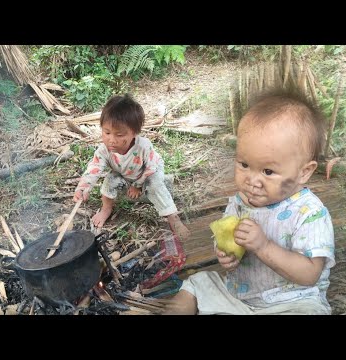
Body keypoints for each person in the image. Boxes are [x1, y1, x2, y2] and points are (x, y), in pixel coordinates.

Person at [163, 87, 335, 315]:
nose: (252, 181)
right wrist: (224, 254)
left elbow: (310, 274)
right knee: (197, 283)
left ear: (304, 172)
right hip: (239, 297)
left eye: (268, 171)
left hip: (292, 302)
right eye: (244, 165)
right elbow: (224, 237)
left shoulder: (309, 212)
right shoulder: (239, 201)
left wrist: (264, 246)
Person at [73, 94, 191, 242]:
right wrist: (83, 187)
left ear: (134, 132)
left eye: (119, 134)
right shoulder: (104, 150)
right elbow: (94, 167)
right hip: (126, 173)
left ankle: (173, 218)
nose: (111, 139)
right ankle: (106, 208)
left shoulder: (143, 147)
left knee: (154, 184)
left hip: (148, 172)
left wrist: (137, 185)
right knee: (110, 179)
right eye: (107, 132)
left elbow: (151, 167)